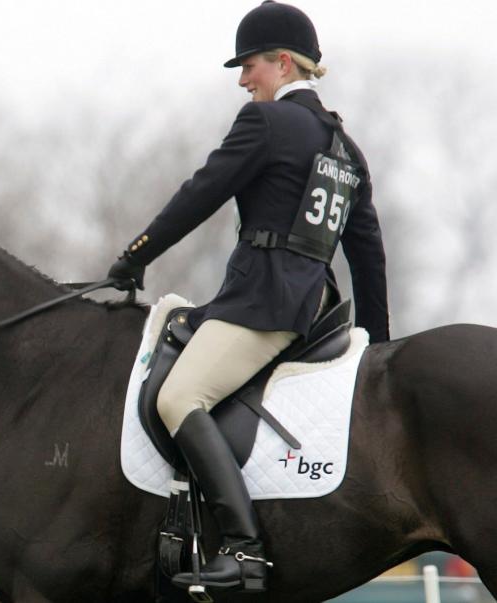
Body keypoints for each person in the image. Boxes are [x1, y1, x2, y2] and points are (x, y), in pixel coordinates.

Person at [107, 0, 389, 594]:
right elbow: (367, 254)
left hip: (263, 304)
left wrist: (135, 255)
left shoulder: (264, 123)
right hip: (316, 308)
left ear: (282, 63)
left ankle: (244, 549)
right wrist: (380, 350)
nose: (242, 80)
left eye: (249, 66)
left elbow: (201, 192)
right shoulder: (345, 148)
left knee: (180, 394)